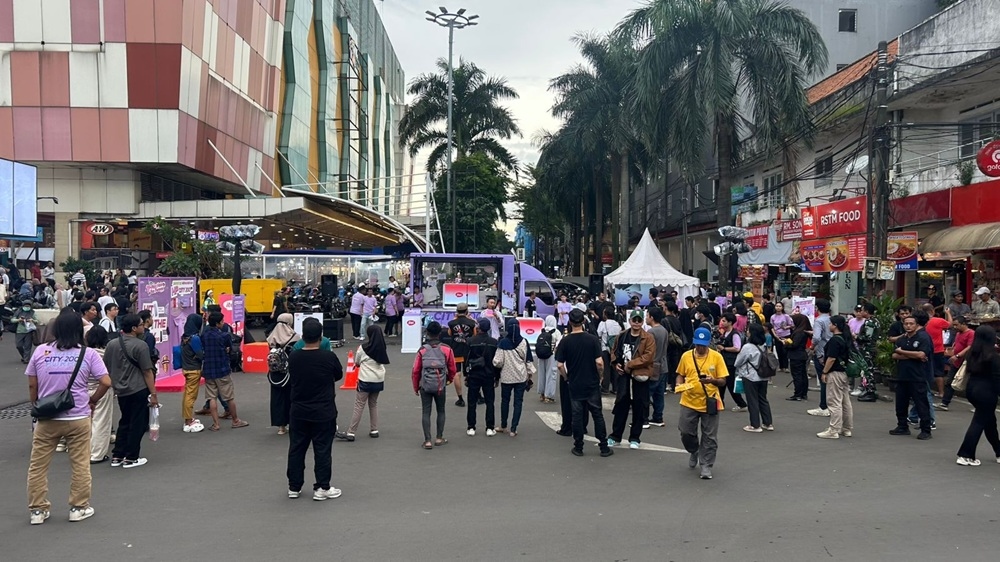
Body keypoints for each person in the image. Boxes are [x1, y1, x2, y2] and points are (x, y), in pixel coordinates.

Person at [25, 310, 112, 525]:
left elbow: (32, 383)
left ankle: (37, 510)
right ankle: (78, 507)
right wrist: (93, 400)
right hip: (78, 417)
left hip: (47, 418)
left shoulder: (40, 352)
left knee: (38, 465)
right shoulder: (88, 354)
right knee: (80, 464)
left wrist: (37, 404)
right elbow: (106, 381)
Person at [286, 318, 344, 500]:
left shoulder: (294, 357)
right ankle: (322, 487)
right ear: (321, 337)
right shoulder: (328, 357)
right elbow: (338, 375)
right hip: (323, 410)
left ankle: (294, 487)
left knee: (296, 448)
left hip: (299, 410)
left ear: (303, 336)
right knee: (322, 449)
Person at [104, 313, 159, 468]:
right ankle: (131, 456)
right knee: (137, 423)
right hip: (138, 388)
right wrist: (153, 393)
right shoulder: (141, 345)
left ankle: (118, 454)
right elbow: (147, 371)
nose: (143, 326)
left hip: (120, 389)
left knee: (125, 420)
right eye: (141, 324)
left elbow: (106, 366)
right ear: (134, 328)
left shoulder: (112, 344)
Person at [558, 308, 613, 458]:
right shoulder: (592, 339)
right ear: (583, 321)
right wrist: (600, 376)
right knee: (597, 414)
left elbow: (560, 365)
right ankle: (603, 446)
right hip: (591, 382)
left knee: (577, 415)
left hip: (575, 382)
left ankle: (578, 446)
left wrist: (566, 377)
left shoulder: (565, 341)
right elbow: (599, 362)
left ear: (570, 322)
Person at [676, 327, 727, 480]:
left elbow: (723, 381)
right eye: (698, 344)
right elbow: (680, 374)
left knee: (710, 436)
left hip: (710, 401)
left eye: (703, 345)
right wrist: (679, 385)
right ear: (694, 343)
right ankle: (693, 450)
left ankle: (706, 465)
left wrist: (712, 380)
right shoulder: (686, 356)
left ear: (708, 343)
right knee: (685, 431)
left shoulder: (716, 357)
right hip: (688, 400)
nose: (700, 348)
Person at [607, 310, 656, 449]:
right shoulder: (622, 336)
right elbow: (614, 352)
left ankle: (635, 437)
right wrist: (616, 364)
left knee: (639, 406)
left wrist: (630, 365)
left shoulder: (648, 338)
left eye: (639, 320)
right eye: (634, 320)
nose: (636, 322)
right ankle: (615, 435)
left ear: (642, 322)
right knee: (621, 404)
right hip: (624, 376)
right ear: (630, 321)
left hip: (640, 376)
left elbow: (648, 357)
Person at [955, 325, 1000, 466]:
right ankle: (965, 454)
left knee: (989, 422)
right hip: (987, 392)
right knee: (979, 422)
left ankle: (999, 451)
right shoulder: (993, 357)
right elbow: (997, 379)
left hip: (972, 389)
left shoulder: (972, 353)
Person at [201, 311, 249, 431]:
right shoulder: (224, 336)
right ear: (218, 323)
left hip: (208, 369)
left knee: (212, 397)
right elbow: (230, 348)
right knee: (229, 397)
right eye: (222, 321)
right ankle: (235, 420)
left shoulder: (204, 336)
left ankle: (216, 424)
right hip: (222, 369)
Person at [412, 321, 457, 449]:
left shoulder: (422, 350)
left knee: (426, 412)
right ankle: (439, 437)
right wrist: (449, 379)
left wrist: (416, 386)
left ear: (427, 333)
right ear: (439, 333)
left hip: (425, 385)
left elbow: (415, 370)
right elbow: (452, 368)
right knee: (441, 410)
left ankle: (427, 440)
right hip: (440, 384)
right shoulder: (447, 349)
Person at [890, 311, 933, 440]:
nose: (908, 326)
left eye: (911, 324)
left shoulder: (923, 338)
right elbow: (894, 355)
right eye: (906, 324)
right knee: (901, 403)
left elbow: (922, 355)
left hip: (918, 376)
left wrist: (903, 353)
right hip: (903, 375)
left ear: (916, 325)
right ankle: (902, 426)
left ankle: (926, 429)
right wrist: (911, 355)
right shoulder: (902, 339)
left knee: (921, 403)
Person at [342, 324, 389, 441]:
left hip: (365, 380)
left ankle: (351, 432)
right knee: (373, 404)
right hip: (378, 380)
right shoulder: (382, 347)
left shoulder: (363, 348)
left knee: (359, 405)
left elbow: (357, 361)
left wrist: (358, 364)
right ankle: (374, 429)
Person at [816, 316, 854, 439]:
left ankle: (834, 429)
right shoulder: (846, 338)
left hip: (835, 373)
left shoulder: (835, 340)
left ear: (835, 325)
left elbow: (831, 358)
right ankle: (846, 428)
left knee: (834, 401)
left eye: (830, 324)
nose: (829, 326)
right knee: (845, 401)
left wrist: (824, 372)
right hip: (844, 372)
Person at [493, 318, 533, 437]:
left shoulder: (503, 342)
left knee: (505, 401)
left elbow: (497, 362)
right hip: (520, 376)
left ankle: (503, 425)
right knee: (518, 402)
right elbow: (528, 360)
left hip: (506, 377)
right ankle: (513, 428)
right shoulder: (524, 342)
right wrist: (529, 375)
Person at [735, 323, 773, 433]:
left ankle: (755, 425)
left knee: (752, 400)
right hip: (764, 375)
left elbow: (738, 362)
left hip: (750, 376)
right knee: (763, 399)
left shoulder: (747, 347)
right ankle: (768, 423)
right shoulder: (764, 345)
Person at [267, 313, 299, 435]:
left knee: (277, 399)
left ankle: (281, 426)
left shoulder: (271, 337)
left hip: (275, 374)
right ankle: (292, 423)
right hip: (289, 373)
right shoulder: (294, 337)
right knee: (291, 398)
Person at [466, 318, 499, 436]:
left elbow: (467, 359)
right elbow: (496, 361)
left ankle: (471, 427)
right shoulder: (494, 342)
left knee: (472, 401)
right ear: (489, 328)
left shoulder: (470, 341)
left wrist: (466, 375)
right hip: (489, 374)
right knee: (490, 402)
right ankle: (490, 427)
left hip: (474, 374)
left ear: (478, 327)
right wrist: (497, 377)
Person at [179, 313, 205, 434]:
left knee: (187, 395)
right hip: (194, 369)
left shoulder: (184, 337)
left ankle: (187, 418)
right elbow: (200, 354)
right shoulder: (194, 338)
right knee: (191, 396)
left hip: (186, 368)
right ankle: (188, 421)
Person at [941, 315, 974, 410]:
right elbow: (957, 344)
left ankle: (977, 405)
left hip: (965, 362)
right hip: (956, 361)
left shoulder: (971, 333)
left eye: (957, 325)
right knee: (950, 381)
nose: (955, 327)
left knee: (969, 384)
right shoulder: (958, 333)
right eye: (954, 325)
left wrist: (958, 355)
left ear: (963, 324)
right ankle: (945, 403)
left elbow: (969, 347)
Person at [716, 312, 747, 411]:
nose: (722, 322)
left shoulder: (734, 334)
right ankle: (720, 402)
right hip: (724, 361)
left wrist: (724, 348)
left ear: (730, 322)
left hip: (730, 362)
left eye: (724, 321)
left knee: (730, 384)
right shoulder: (725, 333)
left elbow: (737, 348)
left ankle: (741, 404)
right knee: (722, 383)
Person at [645, 307, 671, 429]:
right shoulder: (664, 330)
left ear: (652, 317)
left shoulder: (651, 332)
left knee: (646, 393)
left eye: (647, 315)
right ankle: (658, 417)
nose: (646, 318)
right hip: (663, 364)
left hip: (653, 365)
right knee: (659, 394)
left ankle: (643, 418)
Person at [447, 303, 476, 407]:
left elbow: (450, 334)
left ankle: (460, 398)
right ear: (467, 311)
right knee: (471, 373)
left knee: (457, 374)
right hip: (468, 351)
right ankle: (477, 395)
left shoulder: (451, 323)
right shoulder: (471, 323)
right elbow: (475, 335)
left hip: (457, 351)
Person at [808, 299, 833, 417]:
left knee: (823, 378)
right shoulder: (832, 319)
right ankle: (831, 405)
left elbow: (817, 337)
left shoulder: (819, 321)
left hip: (822, 351)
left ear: (817, 308)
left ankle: (823, 406)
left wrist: (812, 346)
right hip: (832, 350)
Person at [785, 314, 812, 401]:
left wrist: (786, 344)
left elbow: (794, 345)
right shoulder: (804, 331)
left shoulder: (798, 332)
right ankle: (803, 393)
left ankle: (798, 394)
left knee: (797, 375)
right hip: (801, 355)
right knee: (802, 375)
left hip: (796, 355)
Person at [597, 304, 623, 395]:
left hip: (604, 348)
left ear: (605, 314)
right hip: (615, 349)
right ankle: (616, 388)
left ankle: (605, 387)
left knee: (606, 369)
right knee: (615, 367)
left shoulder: (603, 324)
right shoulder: (618, 324)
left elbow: (598, 334)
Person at [535, 315, 561, 403]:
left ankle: (541, 394)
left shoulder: (542, 330)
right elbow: (559, 343)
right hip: (551, 355)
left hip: (541, 354)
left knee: (542, 373)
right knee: (551, 374)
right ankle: (549, 395)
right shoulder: (556, 332)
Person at [770, 302, 792, 372]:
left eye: (780, 306)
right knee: (778, 351)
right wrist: (775, 335)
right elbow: (771, 327)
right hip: (777, 336)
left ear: (782, 307)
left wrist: (786, 327)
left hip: (786, 335)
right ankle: (781, 366)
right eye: (777, 306)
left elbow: (792, 325)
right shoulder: (773, 317)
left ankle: (786, 367)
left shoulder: (786, 316)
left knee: (784, 351)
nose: (778, 307)